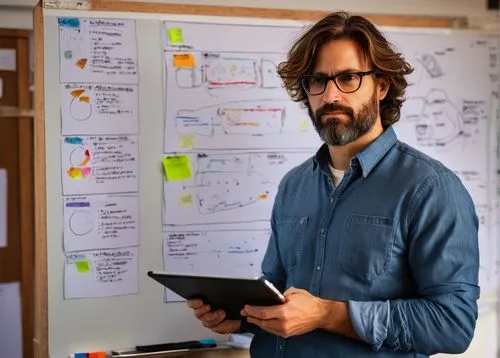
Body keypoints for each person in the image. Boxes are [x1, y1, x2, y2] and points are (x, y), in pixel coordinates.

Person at [187, 11, 480, 357]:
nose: (330, 95)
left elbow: (453, 324)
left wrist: (328, 315)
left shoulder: (430, 188)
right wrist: (241, 317)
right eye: (317, 81)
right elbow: (281, 295)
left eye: (349, 78)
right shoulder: (294, 185)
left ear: (382, 86)